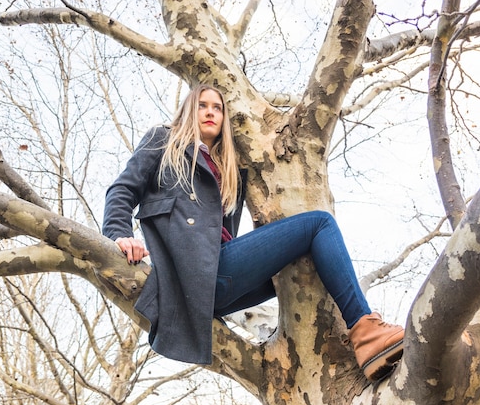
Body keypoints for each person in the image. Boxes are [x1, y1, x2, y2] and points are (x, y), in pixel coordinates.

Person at [102, 84, 404, 382]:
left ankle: (344, 352)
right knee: (319, 224)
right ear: (188, 112)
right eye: (202, 105)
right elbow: (122, 189)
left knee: (303, 260)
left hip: (218, 286)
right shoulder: (163, 141)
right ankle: (366, 330)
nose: (210, 112)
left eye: (217, 108)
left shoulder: (228, 167)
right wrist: (118, 234)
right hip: (197, 273)